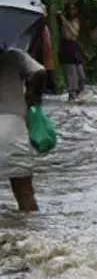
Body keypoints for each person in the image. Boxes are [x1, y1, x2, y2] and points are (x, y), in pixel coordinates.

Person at [0, 45, 46, 212]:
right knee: (25, 192)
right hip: (13, 126)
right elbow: (40, 71)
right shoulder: (14, 55)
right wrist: (34, 95)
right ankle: (32, 235)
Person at [57, 2, 85, 101]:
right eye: (70, 9)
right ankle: (71, 93)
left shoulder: (76, 21)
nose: (71, 11)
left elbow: (74, 32)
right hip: (66, 46)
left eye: (73, 9)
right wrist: (62, 18)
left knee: (81, 75)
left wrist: (63, 19)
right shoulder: (62, 21)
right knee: (70, 72)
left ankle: (78, 92)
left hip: (74, 46)